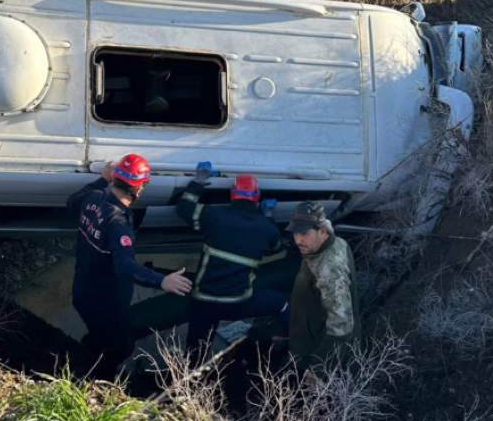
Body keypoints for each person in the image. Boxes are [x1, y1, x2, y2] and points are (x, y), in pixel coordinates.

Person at [67, 154, 193, 381]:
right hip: (106, 302)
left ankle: (87, 350)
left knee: (100, 334)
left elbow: (72, 201)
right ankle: (99, 379)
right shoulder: (119, 223)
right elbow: (125, 266)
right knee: (120, 347)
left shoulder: (93, 197)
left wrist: (100, 180)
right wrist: (162, 280)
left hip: (83, 290)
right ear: (140, 188)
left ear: (114, 179)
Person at [176, 161, 290, 364]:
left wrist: (198, 181)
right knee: (282, 304)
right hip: (238, 304)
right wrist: (268, 217)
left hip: (204, 302)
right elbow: (277, 248)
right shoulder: (266, 228)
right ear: (257, 198)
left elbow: (184, 208)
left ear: (232, 194)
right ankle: (296, 352)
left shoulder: (215, 217)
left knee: (195, 355)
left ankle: (189, 384)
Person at [285, 201, 361, 377]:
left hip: (323, 361)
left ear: (323, 231)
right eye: (296, 233)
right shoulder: (335, 243)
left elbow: (341, 326)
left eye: (304, 233)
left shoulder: (330, 270)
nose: (298, 240)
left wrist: (318, 369)